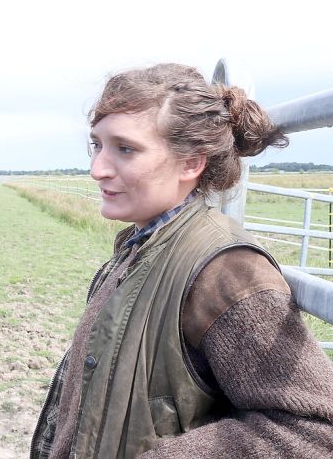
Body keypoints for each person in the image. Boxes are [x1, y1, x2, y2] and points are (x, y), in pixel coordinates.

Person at [30, 63, 333, 459]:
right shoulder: (141, 244)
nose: (97, 169)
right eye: (97, 144)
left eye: (125, 148)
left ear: (192, 162)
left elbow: (311, 431)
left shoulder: (227, 271)